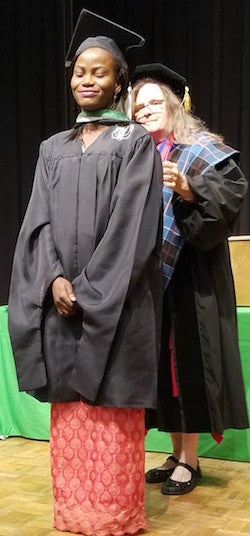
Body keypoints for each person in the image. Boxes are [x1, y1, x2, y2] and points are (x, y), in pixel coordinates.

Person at [8, 12, 163, 536]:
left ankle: (114, 517)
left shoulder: (134, 144)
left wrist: (92, 290)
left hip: (115, 306)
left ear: (119, 81)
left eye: (99, 72)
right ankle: (73, 513)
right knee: (70, 412)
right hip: (60, 303)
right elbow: (38, 221)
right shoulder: (53, 148)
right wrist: (52, 279)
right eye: (79, 72)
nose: (87, 80)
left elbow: (133, 228)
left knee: (111, 408)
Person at [131, 63, 249, 495]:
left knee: (187, 368)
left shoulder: (202, 149)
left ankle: (191, 461)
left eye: (153, 102)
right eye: (138, 107)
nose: (145, 111)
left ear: (175, 104)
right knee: (164, 369)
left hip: (191, 279)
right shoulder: (136, 155)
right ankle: (176, 451)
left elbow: (227, 203)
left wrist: (187, 189)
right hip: (151, 284)